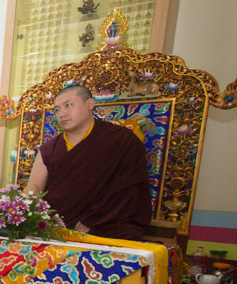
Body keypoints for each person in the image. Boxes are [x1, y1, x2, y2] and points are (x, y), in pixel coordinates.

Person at [26, 84, 151, 240]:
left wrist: (94, 220)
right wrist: (27, 216)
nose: (62, 113)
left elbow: (129, 188)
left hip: (109, 224)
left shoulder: (122, 140)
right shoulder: (49, 149)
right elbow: (35, 188)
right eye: (57, 109)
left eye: (68, 105)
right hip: (57, 226)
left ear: (90, 104)